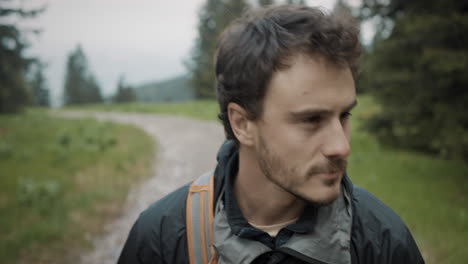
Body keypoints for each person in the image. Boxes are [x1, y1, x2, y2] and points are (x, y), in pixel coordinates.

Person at [118, 4, 424, 264]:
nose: (341, 146)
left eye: (344, 115)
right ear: (242, 123)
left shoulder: (382, 241)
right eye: (312, 120)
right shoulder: (163, 237)